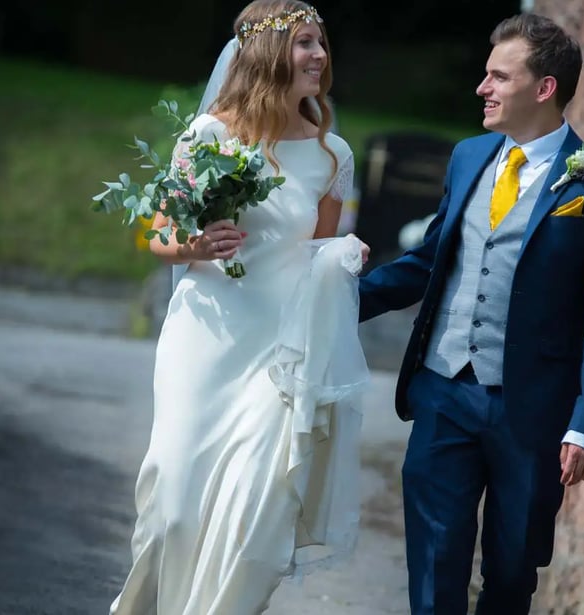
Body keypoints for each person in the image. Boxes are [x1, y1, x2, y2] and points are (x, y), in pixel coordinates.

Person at [359, 13, 584, 615]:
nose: (482, 88)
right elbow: (431, 260)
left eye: (497, 77)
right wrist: (334, 302)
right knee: (434, 564)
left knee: (512, 573)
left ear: (544, 89)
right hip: (442, 392)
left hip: (532, 413)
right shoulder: (468, 157)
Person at [110, 2, 370, 614]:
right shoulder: (209, 136)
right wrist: (194, 244)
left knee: (256, 515)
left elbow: (317, 254)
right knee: (174, 506)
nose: (319, 56)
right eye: (305, 43)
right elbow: (158, 237)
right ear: (266, 54)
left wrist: (344, 258)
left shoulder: (335, 155)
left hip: (281, 350)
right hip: (207, 337)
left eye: (322, 43)